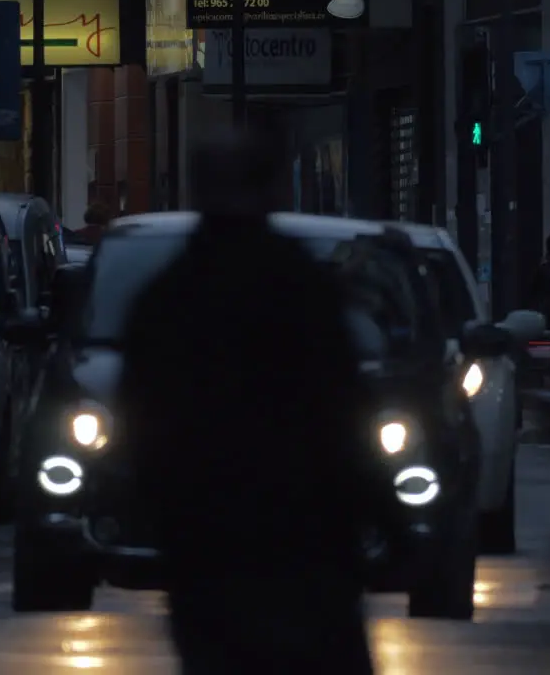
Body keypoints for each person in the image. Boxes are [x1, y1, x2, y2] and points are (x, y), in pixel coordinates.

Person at [117, 125, 386, 673]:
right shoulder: (303, 288)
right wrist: (379, 515)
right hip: (305, 541)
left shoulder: (168, 298)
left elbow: (139, 429)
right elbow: (345, 411)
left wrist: (155, 514)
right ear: (274, 191)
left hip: (206, 543)